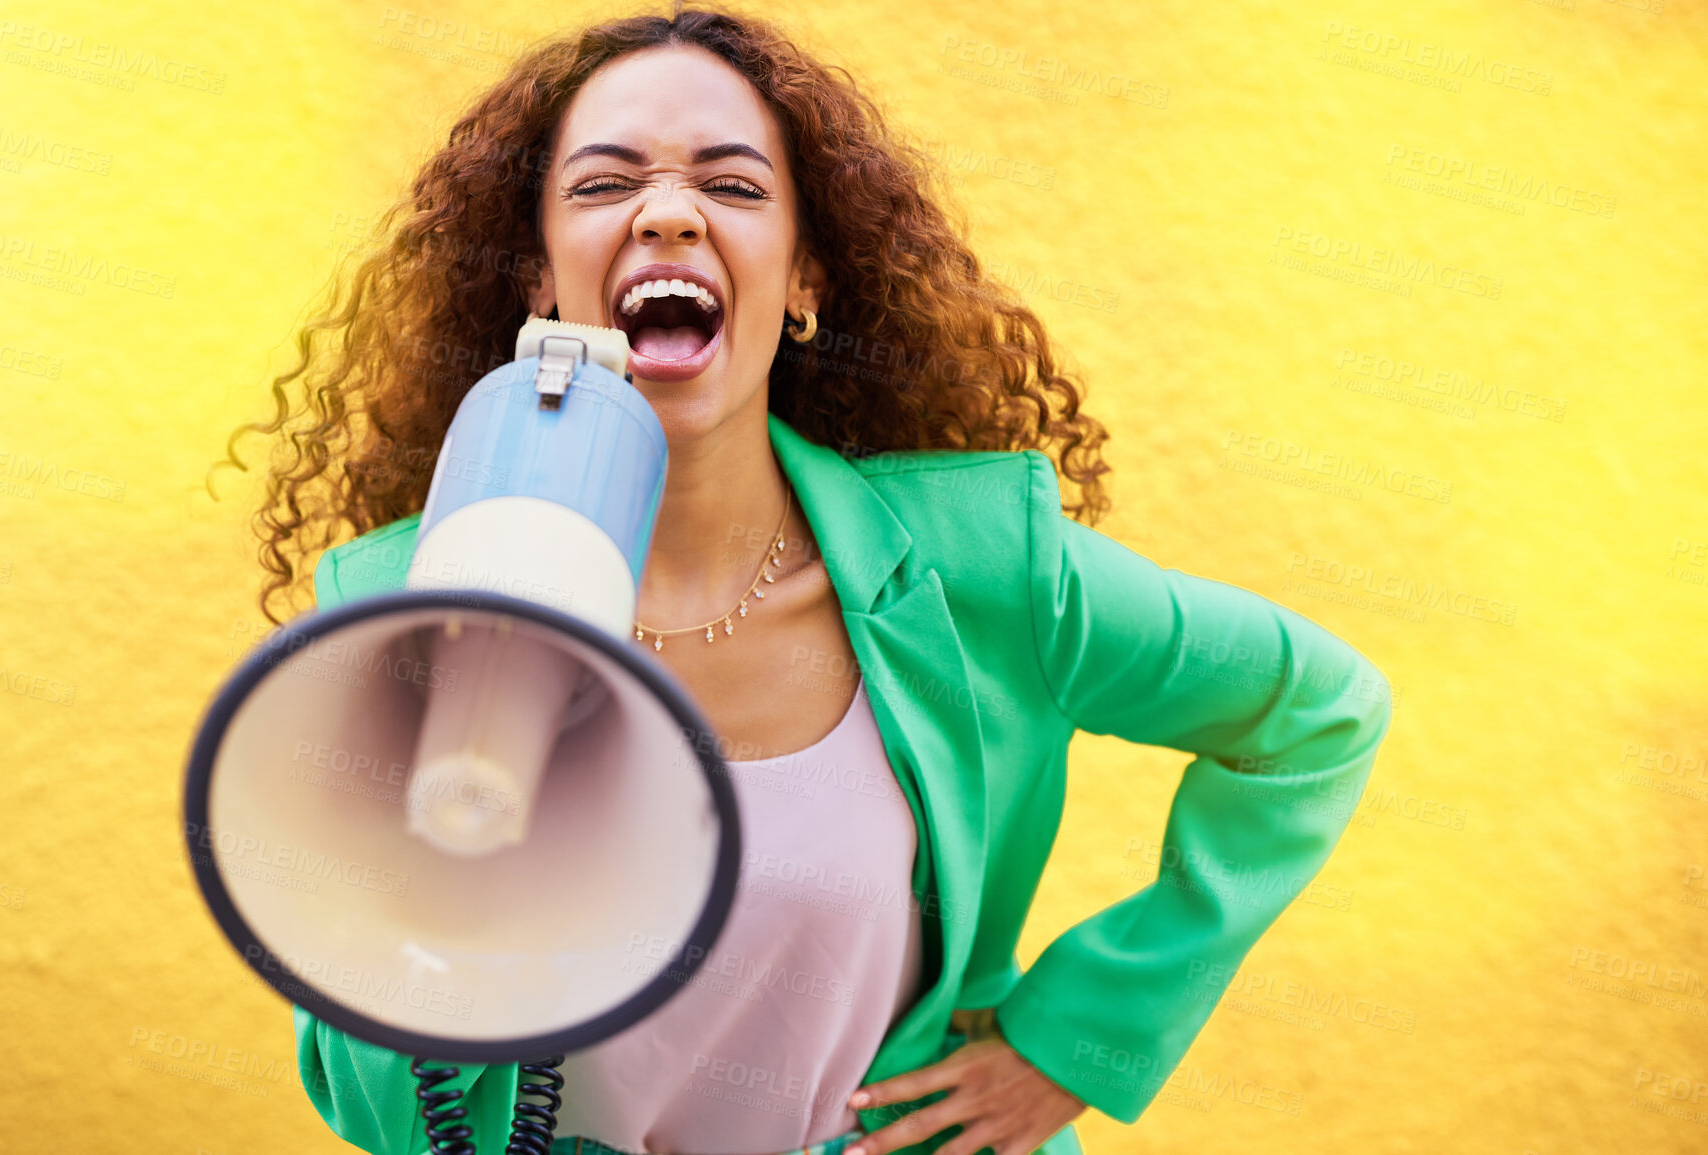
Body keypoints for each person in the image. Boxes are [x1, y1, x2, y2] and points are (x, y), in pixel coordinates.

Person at [222, 6, 1394, 1155]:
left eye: (730, 187)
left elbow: (1318, 715)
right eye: (601, 185)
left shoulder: (981, 565)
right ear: (537, 280)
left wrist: (1079, 1041)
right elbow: (381, 1116)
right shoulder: (400, 608)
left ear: (804, 281)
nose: (667, 214)